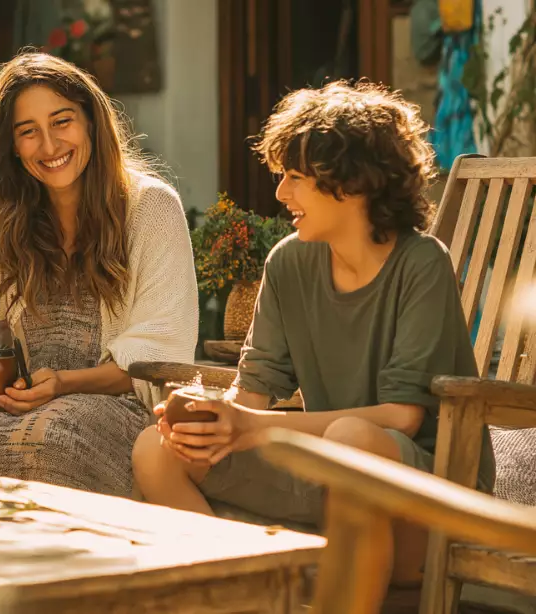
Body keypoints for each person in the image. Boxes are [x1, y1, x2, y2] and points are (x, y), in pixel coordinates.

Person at [132, 81, 497, 590]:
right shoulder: (288, 263)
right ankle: (244, 595)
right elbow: (253, 390)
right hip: (330, 478)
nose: (281, 194)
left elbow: (401, 418)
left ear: (352, 184)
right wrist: (216, 419)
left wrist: (255, 426)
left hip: (428, 504)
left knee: (351, 442)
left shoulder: (422, 265)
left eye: (296, 178)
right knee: (156, 449)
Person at [0, 52, 198, 497]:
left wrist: (62, 384)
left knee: (54, 435)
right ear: (12, 147)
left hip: (121, 409)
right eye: (28, 132)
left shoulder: (151, 206)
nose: (49, 145)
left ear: (91, 123)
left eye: (62, 122)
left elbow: (160, 351)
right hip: (20, 410)